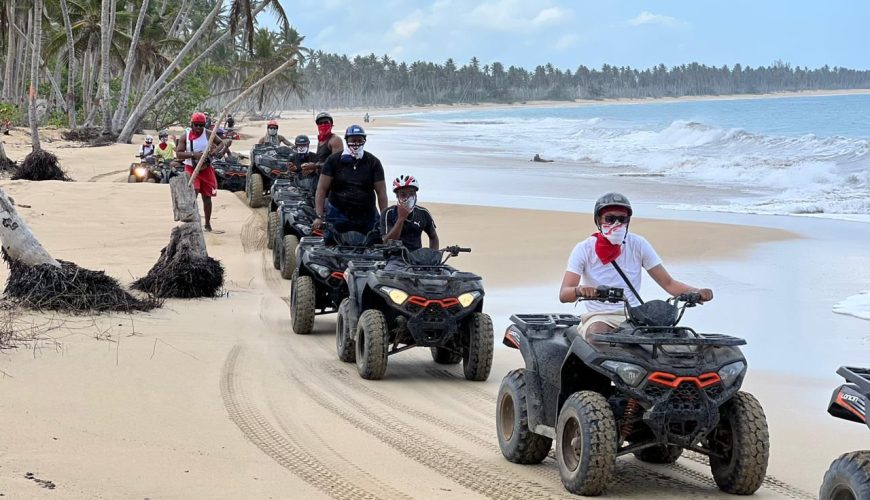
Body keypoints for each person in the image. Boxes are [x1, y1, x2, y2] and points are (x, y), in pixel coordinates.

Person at [559, 192, 713, 336]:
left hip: (635, 316)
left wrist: (697, 292)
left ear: (628, 221)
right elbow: (565, 294)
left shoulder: (638, 244)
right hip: (599, 316)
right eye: (610, 219)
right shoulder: (584, 249)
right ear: (599, 220)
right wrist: (580, 290)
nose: (616, 224)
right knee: (597, 334)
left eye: (622, 219)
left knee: (677, 340)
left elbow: (669, 283)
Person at [313, 125, 388, 242]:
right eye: (353, 140)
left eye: (359, 140)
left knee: (376, 246)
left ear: (364, 141)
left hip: (367, 216)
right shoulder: (333, 161)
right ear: (347, 140)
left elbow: (381, 193)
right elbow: (321, 189)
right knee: (330, 246)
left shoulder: (373, 162)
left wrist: (384, 220)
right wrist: (319, 216)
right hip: (337, 214)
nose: (356, 143)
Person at [177, 111, 222, 232]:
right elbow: (179, 154)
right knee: (193, 193)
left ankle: (207, 223)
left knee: (207, 197)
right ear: (191, 124)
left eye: (201, 125)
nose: (198, 128)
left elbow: (221, 143)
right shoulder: (184, 136)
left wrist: (214, 152)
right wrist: (193, 155)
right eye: (196, 125)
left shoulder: (208, 134)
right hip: (191, 168)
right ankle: (193, 222)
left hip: (206, 169)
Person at [381, 175, 438, 251]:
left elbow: (433, 237)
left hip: (416, 257)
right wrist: (401, 218)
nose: (408, 197)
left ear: (415, 194)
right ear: (397, 196)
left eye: (411, 193)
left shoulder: (423, 213)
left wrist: (433, 255)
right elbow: (387, 242)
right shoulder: (388, 213)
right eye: (403, 194)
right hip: (395, 257)